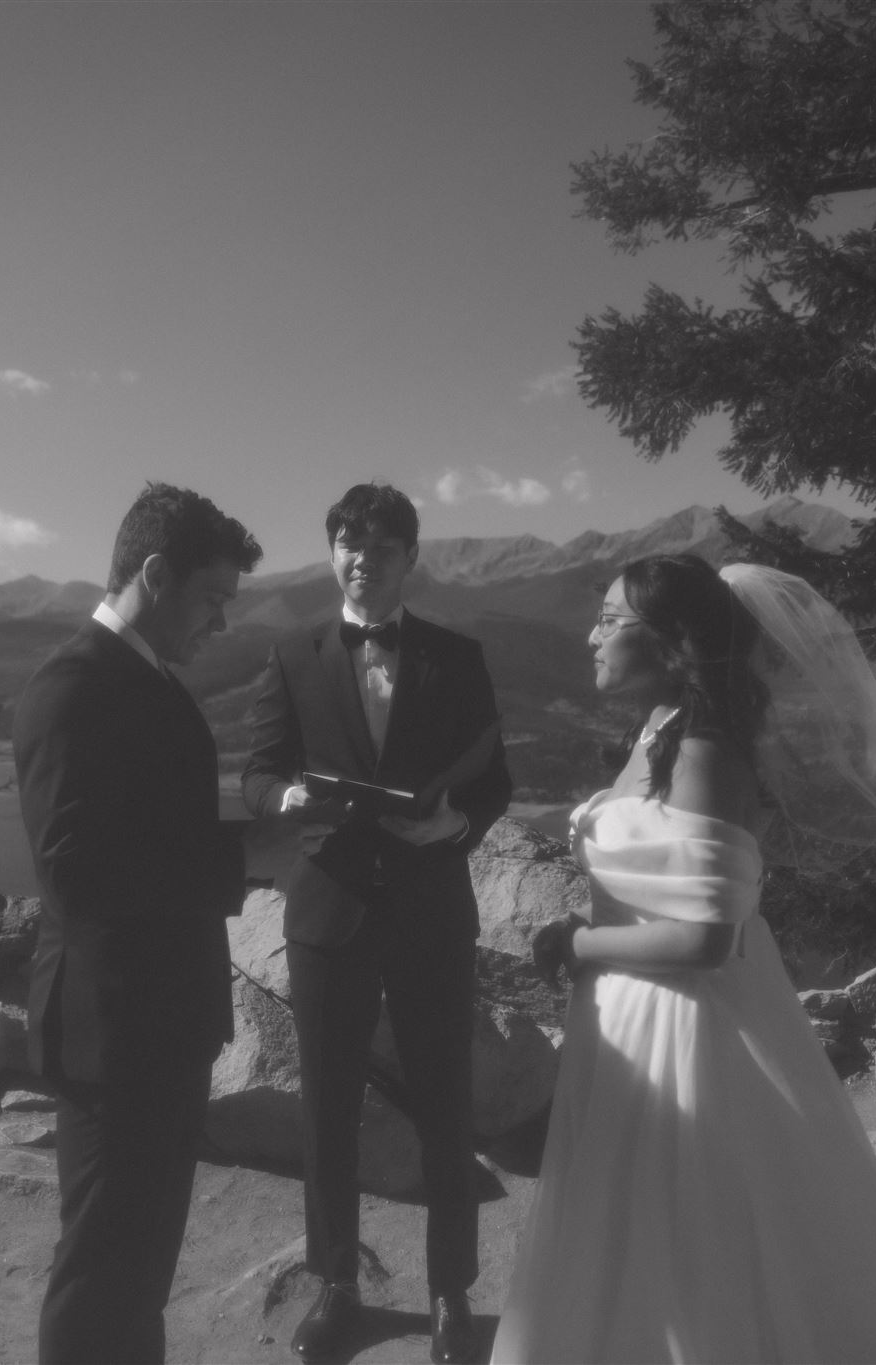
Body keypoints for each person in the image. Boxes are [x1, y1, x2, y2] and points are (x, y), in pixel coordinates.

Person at [492, 554, 876, 1364]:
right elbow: (664, 885)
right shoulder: (660, 728)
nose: (590, 635)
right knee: (636, 1213)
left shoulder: (706, 751)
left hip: (687, 1019)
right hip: (625, 1009)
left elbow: (708, 938)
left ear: (670, 645)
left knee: (692, 1214)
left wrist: (580, 943)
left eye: (609, 620)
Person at [243, 483, 512, 1365]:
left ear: (409, 559)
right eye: (349, 544)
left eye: (383, 547)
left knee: (445, 1101)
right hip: (330, 907)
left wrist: (455, 824)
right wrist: (280, 795)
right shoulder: (291, 653)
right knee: (327, 1104)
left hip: (431, 906)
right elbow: (258, 771)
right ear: (332, 553)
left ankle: (448, 1293)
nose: (364, 559)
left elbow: (493, 779)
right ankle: (337, 1284)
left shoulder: (456, 655)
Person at [13, 482, 262, 1365]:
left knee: (141, 1271)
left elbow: (154, 835)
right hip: (110, 1032)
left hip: (160, 1025)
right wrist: (249, 857)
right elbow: (76, 874)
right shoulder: (73, 686)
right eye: (213, 599)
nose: (221, 624)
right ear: (154, 574)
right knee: (101, 1274)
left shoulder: (142, 679)